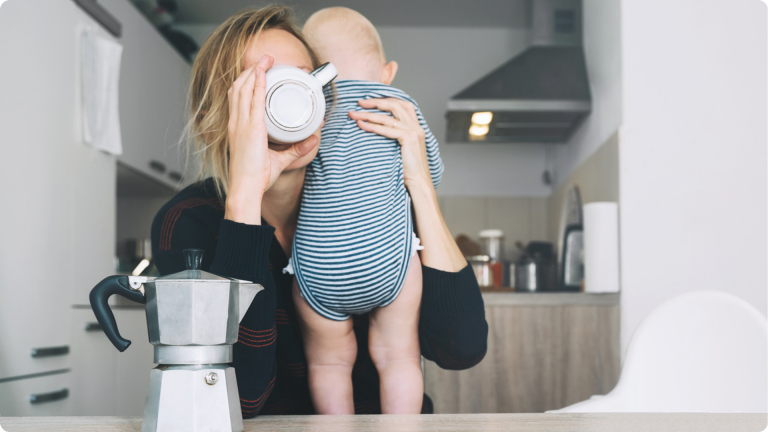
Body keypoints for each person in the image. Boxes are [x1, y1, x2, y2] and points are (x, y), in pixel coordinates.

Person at [151, 5, 488, 417]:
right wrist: (244, 197)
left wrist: (418, 184)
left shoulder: (372, 197)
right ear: (212, 123)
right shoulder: (187, 222)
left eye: (305, 79)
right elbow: (239, 398)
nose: (293, 98)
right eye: (262, 87)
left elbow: (461, 348)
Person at [284, 7, 442, 414]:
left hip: (320, 265)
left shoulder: (312, 109)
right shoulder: (399, 104)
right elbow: (430, 173)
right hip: (386, 261)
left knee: (329, 362)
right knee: (399, 358)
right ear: (387, 71)